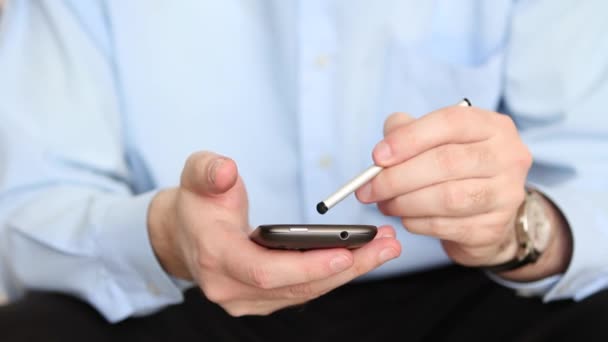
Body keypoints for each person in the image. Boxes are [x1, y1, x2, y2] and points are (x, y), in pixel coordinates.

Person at [0, 1, 607, 341]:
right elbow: (29, 209)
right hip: (182, 300)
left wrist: (517, 230)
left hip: (473, 300)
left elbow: (594, 175)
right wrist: (164, 237)